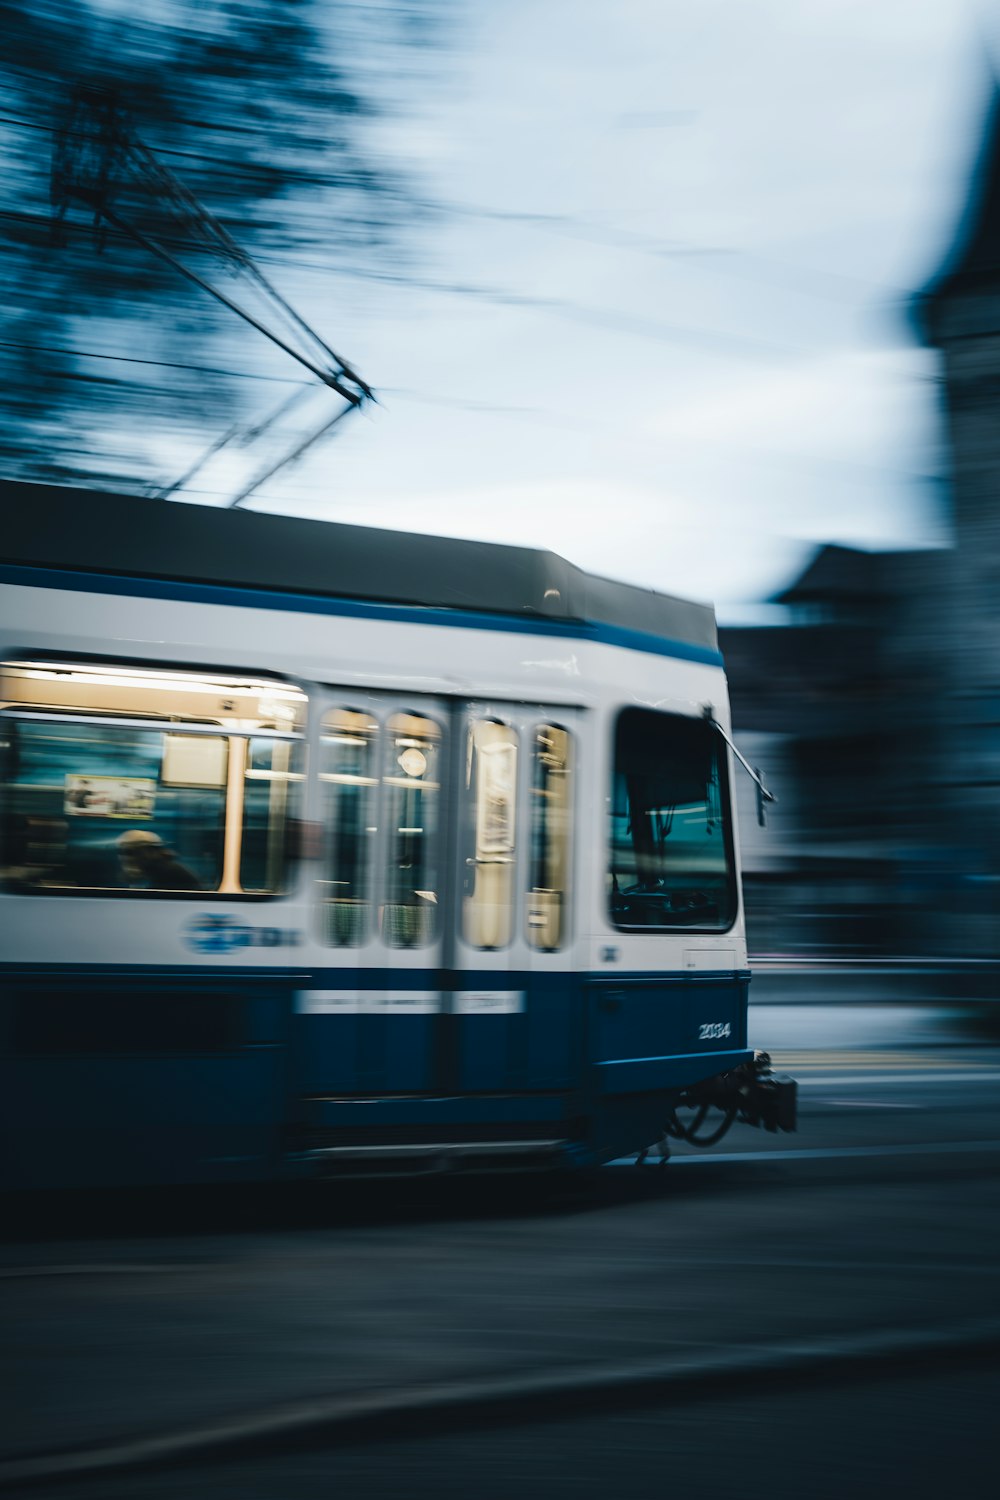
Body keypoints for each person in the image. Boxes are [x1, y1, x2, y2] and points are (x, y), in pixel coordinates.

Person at [117, 829, 201, 890]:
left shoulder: (170, 872)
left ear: (151, 851)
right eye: (122, 852)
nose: (126, 858)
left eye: (131, 852)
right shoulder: (148, 872)